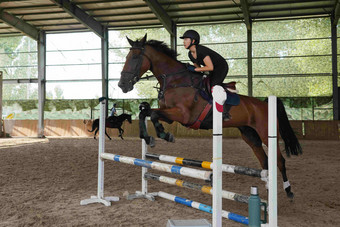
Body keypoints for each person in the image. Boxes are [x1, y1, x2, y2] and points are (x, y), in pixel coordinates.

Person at [180, 30, 230, 120]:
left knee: (214, 86)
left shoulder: (201, 51)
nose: (183, 42)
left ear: (193, 41)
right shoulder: (190, 54)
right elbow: (199, 69)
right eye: (184, 39)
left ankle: (224, 112)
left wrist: (195, 69)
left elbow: (210, 67)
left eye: (186, 39)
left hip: (221, 67)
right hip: (212, 69)